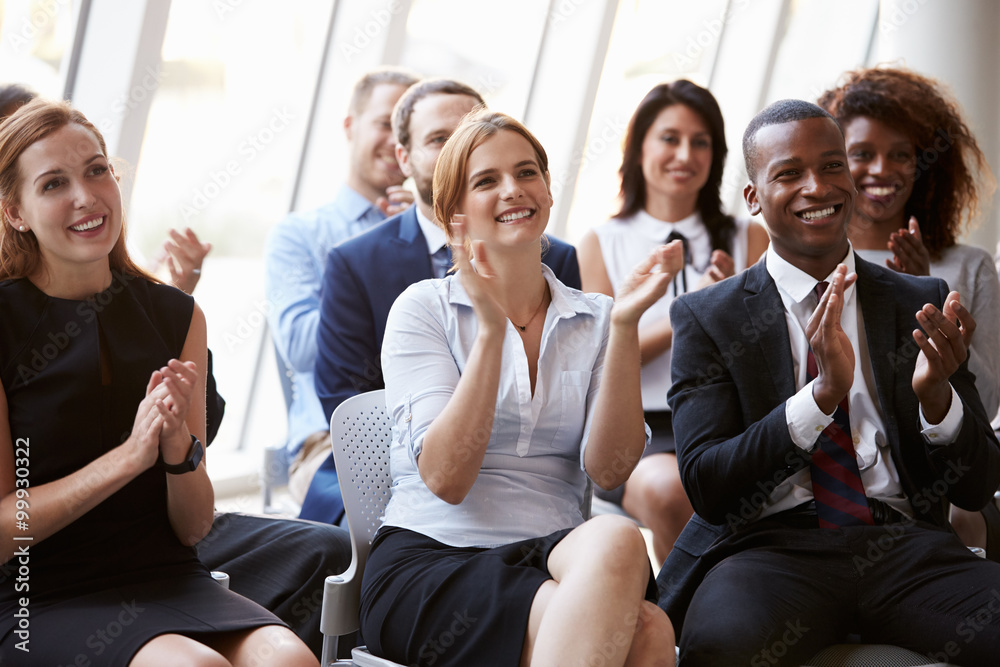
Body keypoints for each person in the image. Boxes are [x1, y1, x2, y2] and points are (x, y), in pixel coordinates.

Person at [656, 99, 1000, 666]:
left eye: (832, 166)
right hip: (769, 550)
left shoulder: (920, 300)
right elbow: (709, 487)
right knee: (721, 647)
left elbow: (977, 487)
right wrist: (817, 401)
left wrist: (938, 402)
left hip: (902, 545)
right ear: (752, 197)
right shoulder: (708, 316)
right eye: (789, 173)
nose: (817, 187)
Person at [0, 100, 316, 665]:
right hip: (33, 594)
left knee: (287, 657)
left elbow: (193, 527)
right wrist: (128, 457)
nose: (86, 197)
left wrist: (177, 454)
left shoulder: (176, 316)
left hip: (164, 576)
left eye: (97, 170)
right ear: (15, 211)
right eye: (54, 184)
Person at [358, 109, 676, 666]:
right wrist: (487, 332)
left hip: (554, 558)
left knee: (622, 548)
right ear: (453, 214)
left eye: (527, 173)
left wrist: (624, 329)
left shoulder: (600, 318)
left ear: (549, 192)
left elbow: (609, 472)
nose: (514, 190)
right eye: (487, 181)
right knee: (644, 626)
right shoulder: (423, 308)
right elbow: (447, 480)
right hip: (435, 562)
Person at [315, 78, 581, 426]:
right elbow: (348, 401)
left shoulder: (554, 257)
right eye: (441, 139)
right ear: (404, 157)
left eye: (472, 134)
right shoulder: (355, 263)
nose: (462, 149)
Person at [578, 80, 769, 563]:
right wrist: (694, 309)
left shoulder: (750, 237)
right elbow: (602, 361)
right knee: (668, 493)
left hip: (732, 419)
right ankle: (689, 621)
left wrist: (730, 310)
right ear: (639, 146)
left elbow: (771, 350)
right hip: (641, 430)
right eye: (669, 138)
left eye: (700, 141)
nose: (685, 154)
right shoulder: (600, 243)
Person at [818, 67, 1000, 553]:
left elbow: (989, 402)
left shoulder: (968, 266)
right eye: (862, 155)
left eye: (902, 155)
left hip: (939, 476)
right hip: (836, 474)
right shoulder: (811, 265)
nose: (883, 169)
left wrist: (926, 296)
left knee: (963, 518)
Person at [264, 67, 419, 521]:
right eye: (385, 123)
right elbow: (301, 348)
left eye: (408, 131)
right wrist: (386, 263)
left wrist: (426, 238)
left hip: (436, 426)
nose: (396, 142)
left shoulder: (444, 235)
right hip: (333, 443)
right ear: (350, 126)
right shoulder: (301, 233)